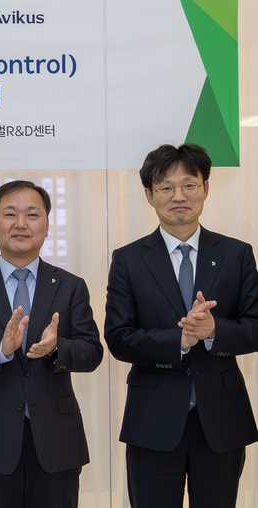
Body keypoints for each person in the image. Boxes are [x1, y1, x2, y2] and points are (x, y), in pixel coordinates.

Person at [104, 143, 258, 507]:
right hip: (151, 421)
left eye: (189, 185)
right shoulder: (128, 260)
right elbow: (119, 338)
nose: (179, 197)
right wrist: (181, 340)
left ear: (205, 188)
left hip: (221, 420)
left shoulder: (236, 254)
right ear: (149, 195)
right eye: (166, 188)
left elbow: (254, 327)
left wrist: (214, 331)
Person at [0, 180, 102, 508]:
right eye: (10, 214)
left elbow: (92, 352)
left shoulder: (70, 286)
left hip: (57, 441)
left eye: (32, 215)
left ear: (47, 227)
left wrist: (56, 349)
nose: (21, 224)